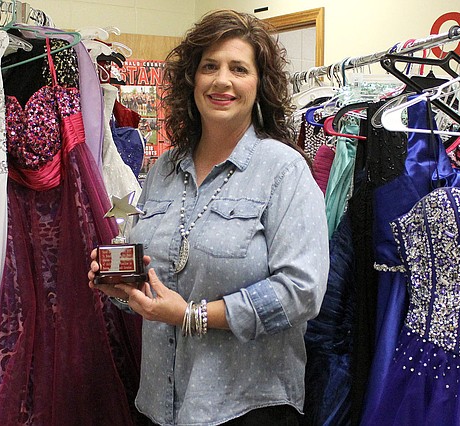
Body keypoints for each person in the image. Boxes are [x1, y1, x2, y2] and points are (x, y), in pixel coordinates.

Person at [88, 9, 329, 426]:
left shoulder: (284, 170)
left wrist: (193, 316)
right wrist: (124, 290)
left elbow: (302, 290)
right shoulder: (164, 169)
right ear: (192, 81)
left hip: (246, 408)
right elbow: (160, 284)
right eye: (209, 67)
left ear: (260, 84)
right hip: (160, 406)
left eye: (239, 68)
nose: (222, 81)